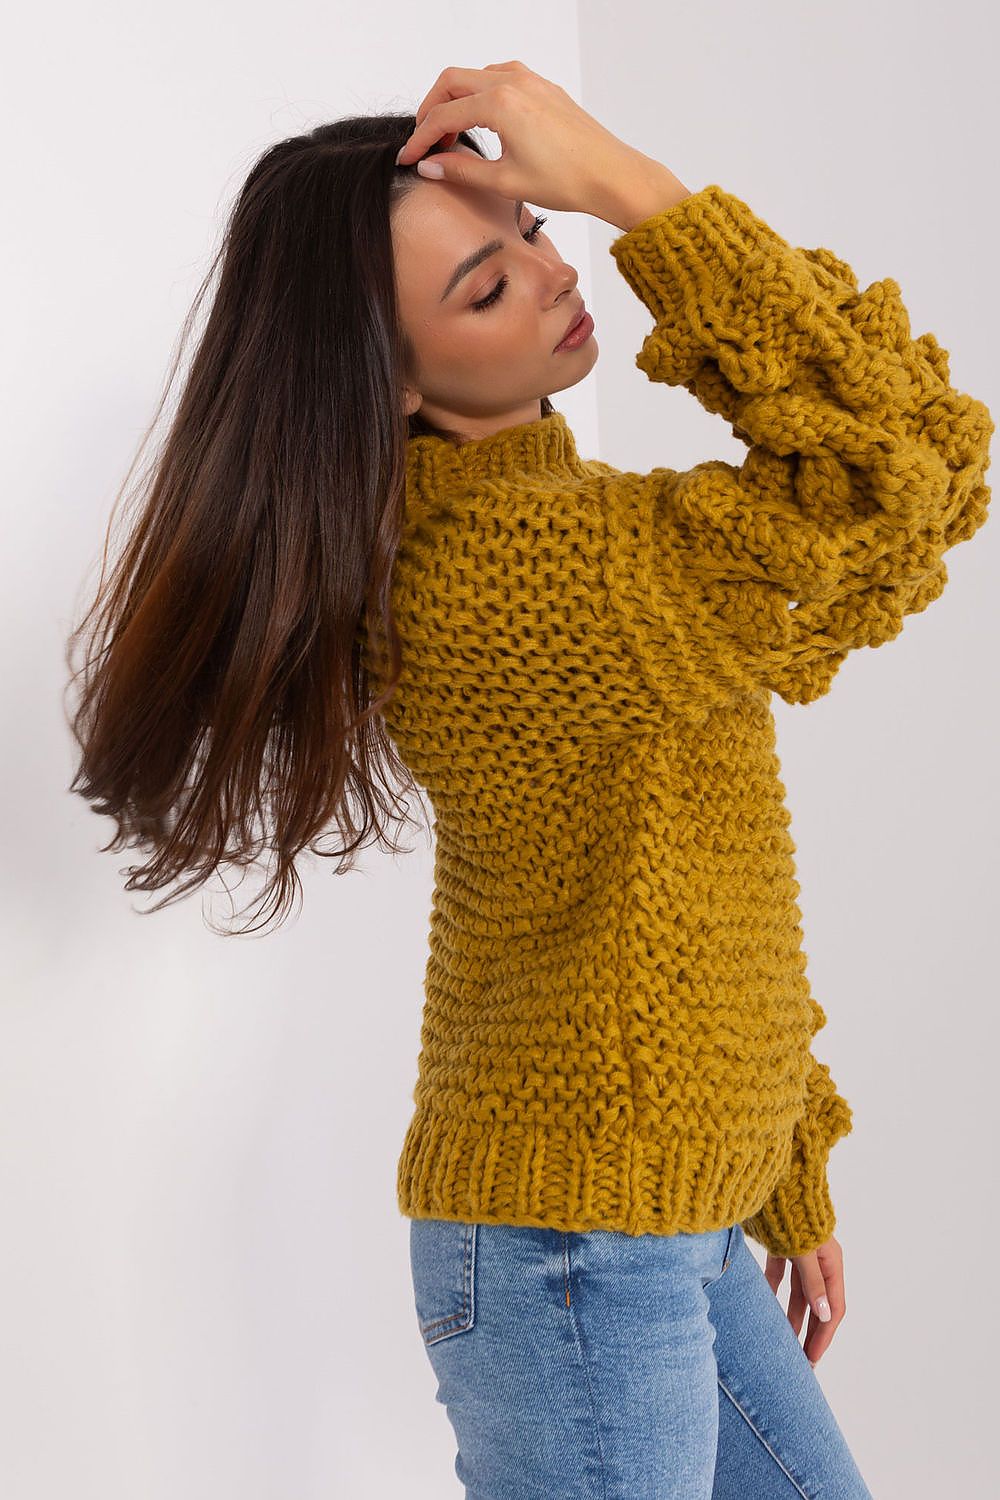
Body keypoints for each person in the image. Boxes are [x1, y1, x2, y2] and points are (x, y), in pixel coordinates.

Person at [65, 61, 993, 1499]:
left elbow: (688, 878)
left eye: (539, 231)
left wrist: (784, 1156)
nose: (561, 275)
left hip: (657, 1226)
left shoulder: (577, 538)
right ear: (401, 380)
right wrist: (636, 189)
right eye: (490, 287)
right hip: (576, 1257)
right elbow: (897, 471)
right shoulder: (510, 578)